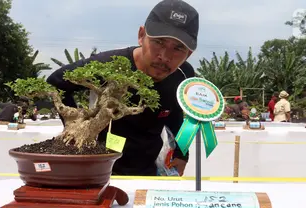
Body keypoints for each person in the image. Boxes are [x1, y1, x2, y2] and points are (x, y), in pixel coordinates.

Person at [46, 0, 199, 176]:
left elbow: (177, 115)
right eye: (159, 42)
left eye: (178, 48)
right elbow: (55, 83)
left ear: (189, 54)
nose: (164, 56)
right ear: (141, 35)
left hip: (149, 170)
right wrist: (75, 126)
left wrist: (182, 154)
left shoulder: (184, 75)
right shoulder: (108, 65)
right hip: (98, 168)